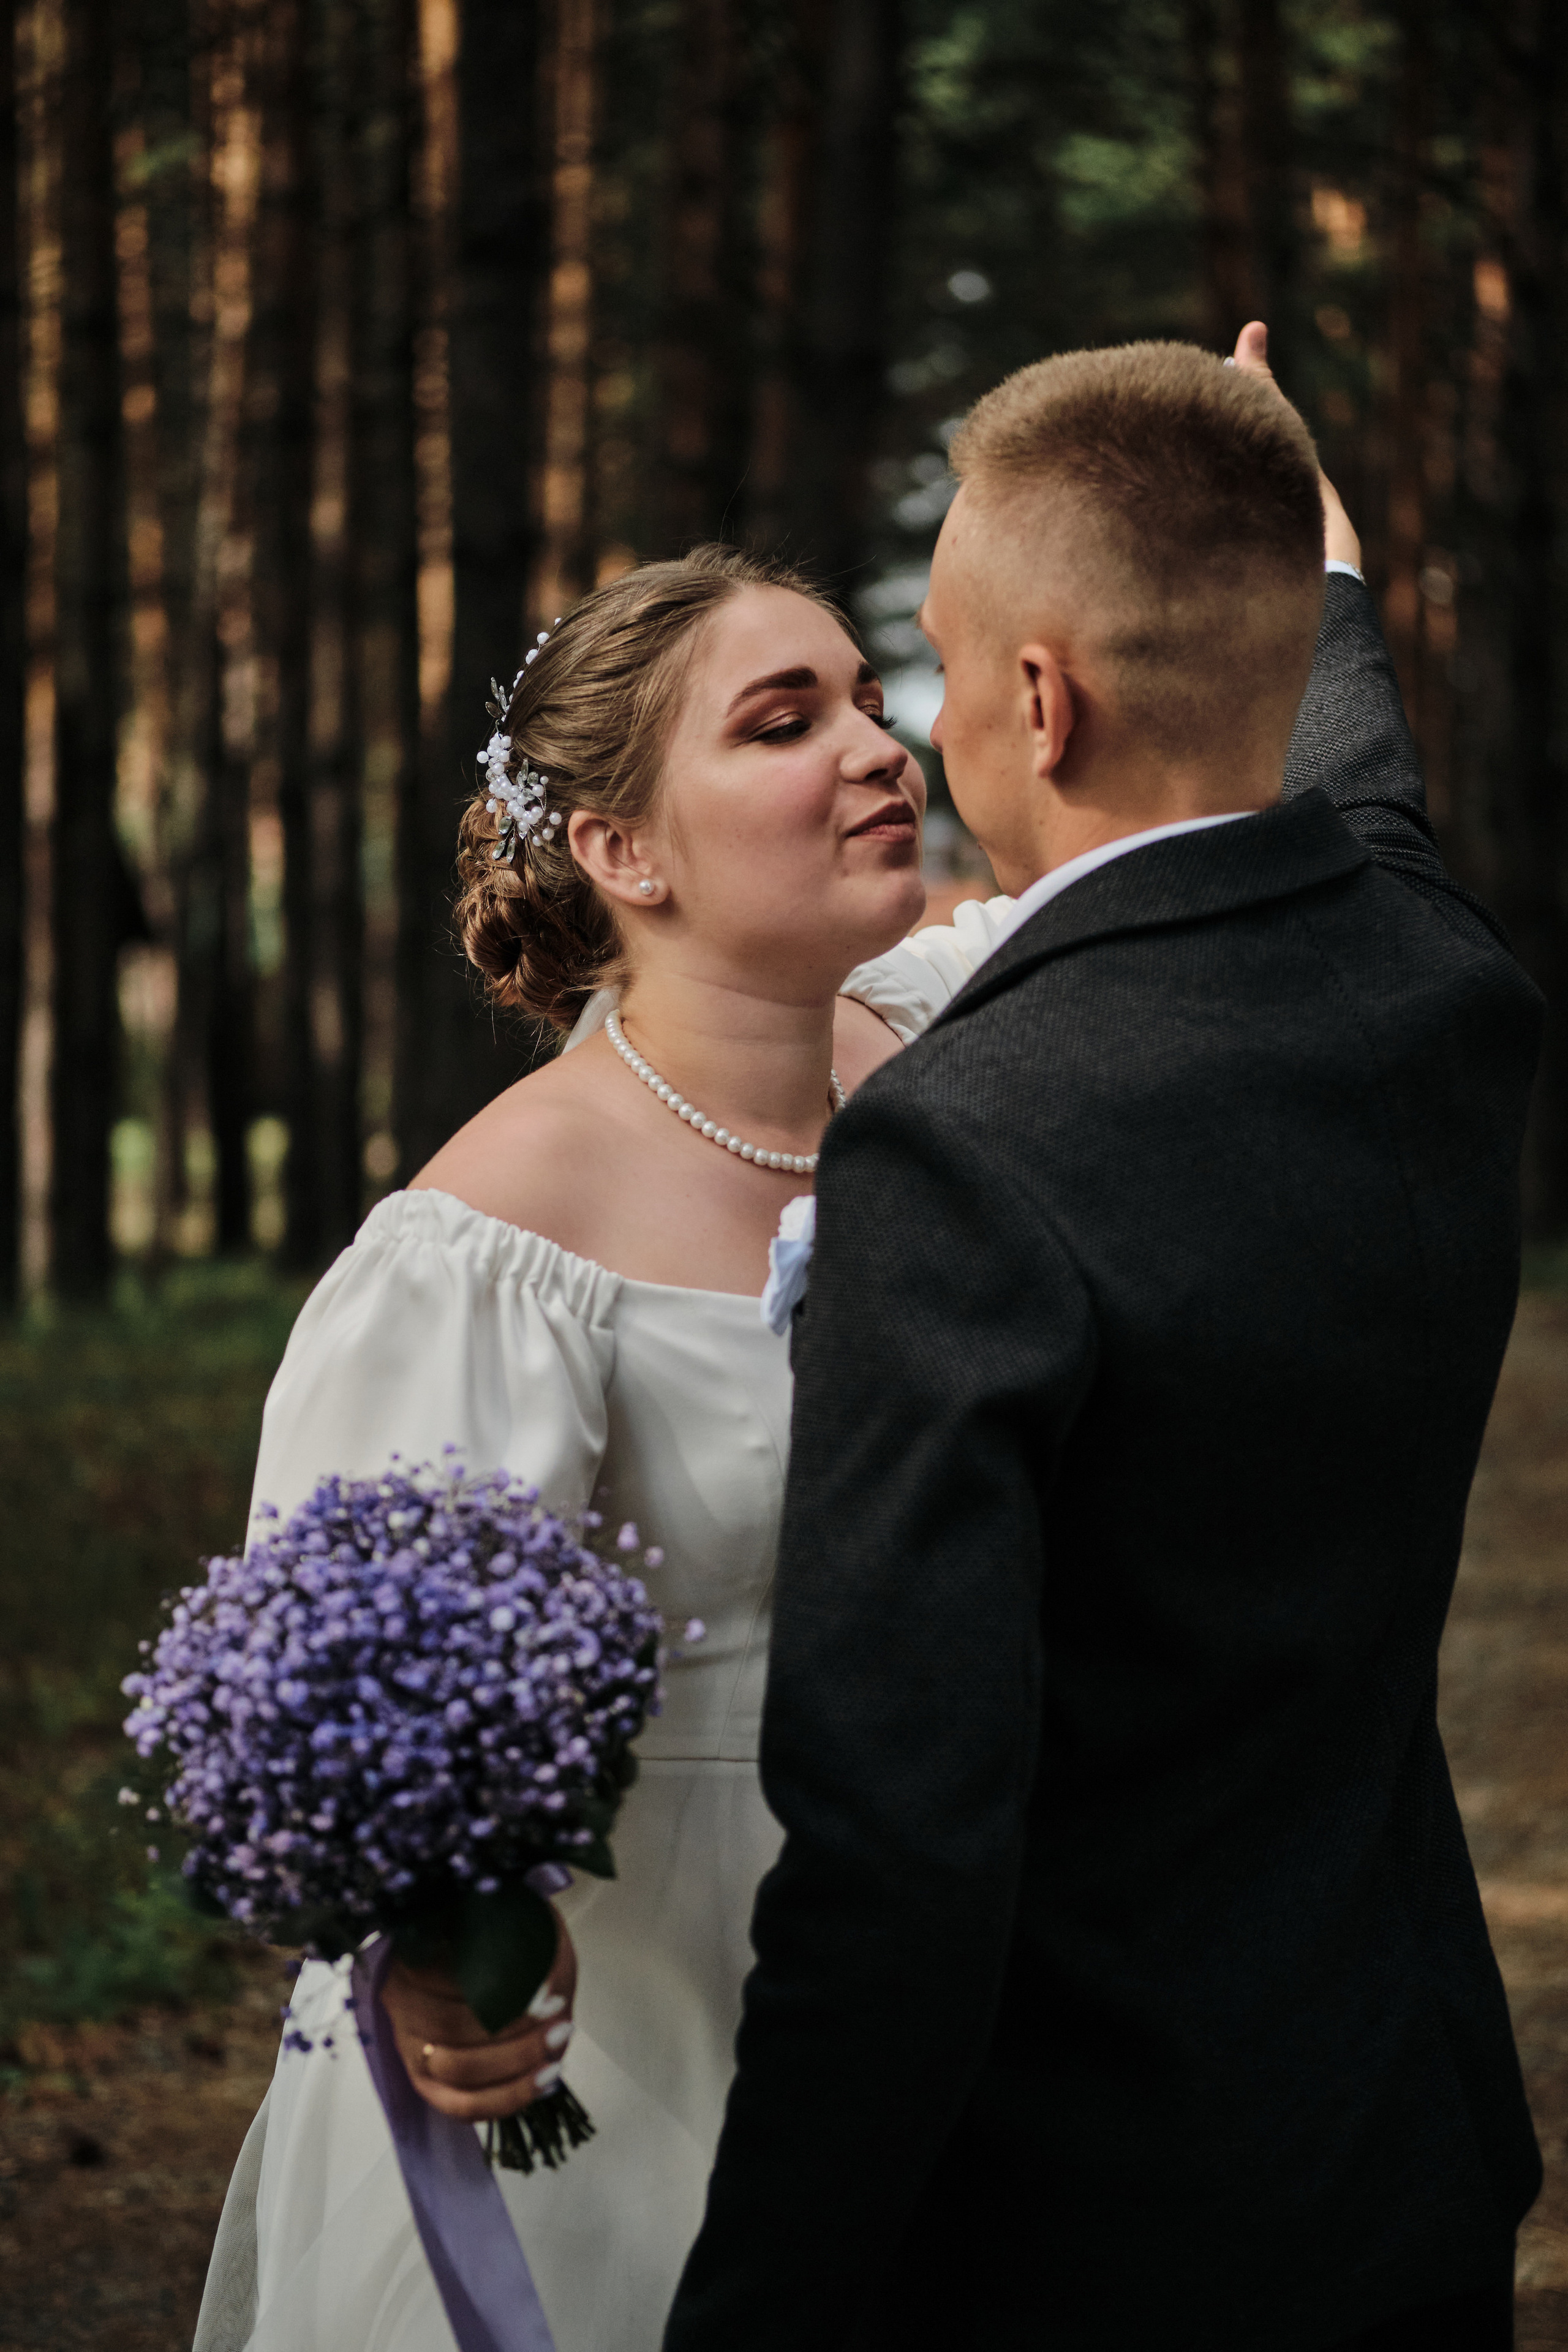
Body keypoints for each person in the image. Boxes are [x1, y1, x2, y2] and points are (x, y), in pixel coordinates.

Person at [661, 330, 1544, 2352]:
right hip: (1399, 2149)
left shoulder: (968, 1154)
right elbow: (1356, 781)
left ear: (1038, 704)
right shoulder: (1439, 983)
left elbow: (900, 1856)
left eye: (948, 669)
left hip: (1100, 2241)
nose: (931, 725)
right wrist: (1304, 566)